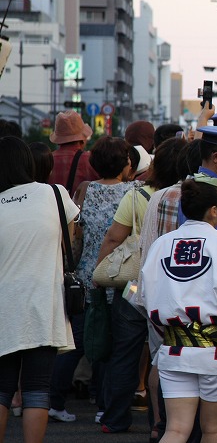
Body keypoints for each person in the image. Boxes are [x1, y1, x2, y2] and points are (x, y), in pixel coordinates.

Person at [139, 174, 217, 443]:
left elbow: (147, 297)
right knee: (213, 432)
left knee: (175, 429)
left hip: (174, 350)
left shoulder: (161, 245)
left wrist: (166, 332)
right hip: (216, 354)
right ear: (213, 211)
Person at [93, 137, 187, 435]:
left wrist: (99, 273)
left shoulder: (135, 196)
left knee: (124, 352)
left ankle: (115, 419)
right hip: (173, 289)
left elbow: (113, 238)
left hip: (134, 287)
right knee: (166, 355)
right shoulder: (190, 198)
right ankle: (162, 424)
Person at [49, 136, 136, 424]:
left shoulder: (85, 191)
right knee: (113, 344)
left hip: (89, 275)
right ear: (125, 163)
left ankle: (55, 401)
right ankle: (103, 404)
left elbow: (76, 237)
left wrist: (70, 268)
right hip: (122, 277)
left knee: (80, 341)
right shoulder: (133, 192)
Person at [0, 137, 79, 443]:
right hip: (43, 302)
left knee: (3, 388)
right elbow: (69, 242)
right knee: (36, 388)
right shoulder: (54, 194)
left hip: (4, 304)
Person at [48, 110, 99, 195]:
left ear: (59, 139)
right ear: (82, 139)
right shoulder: (91, 160)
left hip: (51, 207)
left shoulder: (47, 160)